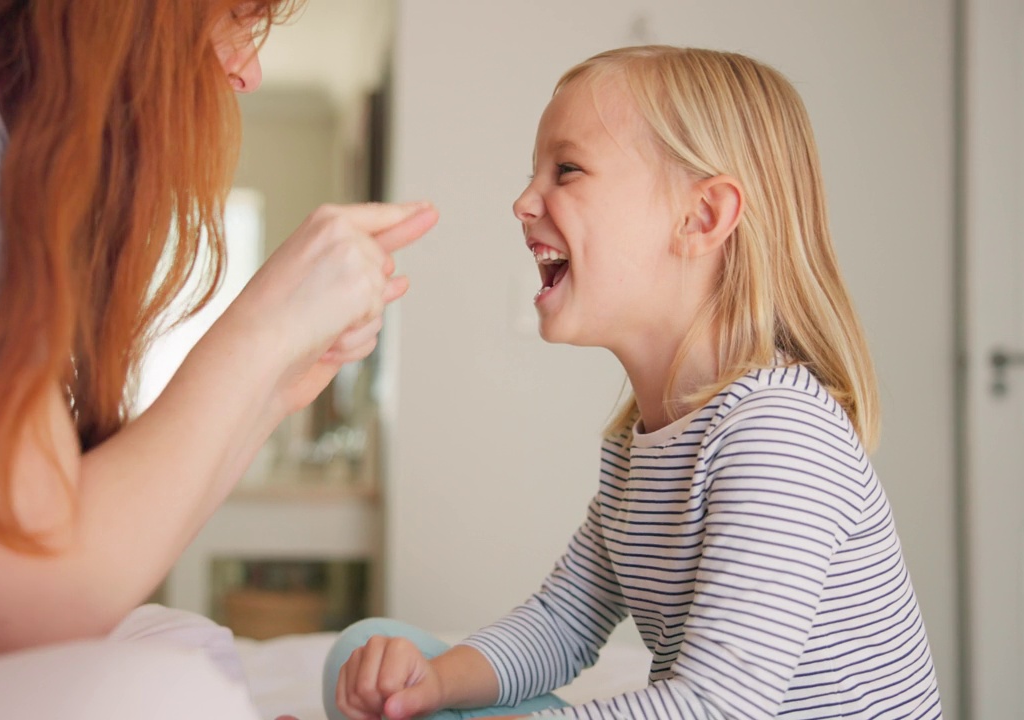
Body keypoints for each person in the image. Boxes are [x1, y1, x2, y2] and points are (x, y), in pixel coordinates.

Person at [0, 0, 438, 717]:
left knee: (172, 648)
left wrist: (272, 390)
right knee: (164, 687)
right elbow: (32, 603)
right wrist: (261, 333)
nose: (249, 68)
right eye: (236, 17)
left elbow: (70, 564)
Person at [326, 45, 943, 720]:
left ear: (701, 219)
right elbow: (563, 622)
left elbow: (715, 707)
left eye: (566, 170)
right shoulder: (640, 447)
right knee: (365, 664)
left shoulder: (779, 434)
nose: (524, 201)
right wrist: (433, 685)